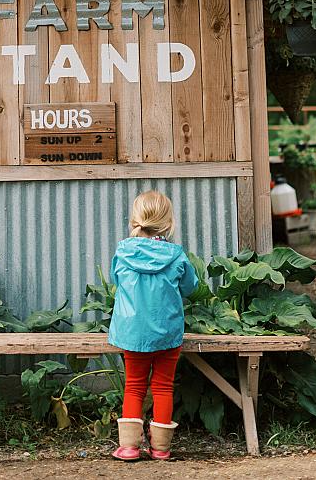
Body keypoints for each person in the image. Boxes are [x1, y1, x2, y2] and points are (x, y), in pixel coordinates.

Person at [108, 190, 198, 461]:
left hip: (133, 333)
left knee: (134, 386)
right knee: (162, 387)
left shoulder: (123, 252)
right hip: (168, 332)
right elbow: (191, 287)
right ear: (168, 223)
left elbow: (117, 281)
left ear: (135, 220)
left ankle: (129, 447)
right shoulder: (176, 255)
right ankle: (160, 448)